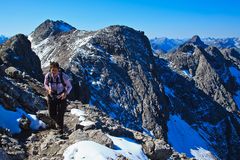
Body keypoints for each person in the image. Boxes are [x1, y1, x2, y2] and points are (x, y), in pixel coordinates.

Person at [44, 62, 72, 134]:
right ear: (50, 69)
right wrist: (48, 89)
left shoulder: (64, 76)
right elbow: (45, 84)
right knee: (51, 114)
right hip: (51, 96)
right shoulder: (48, 76)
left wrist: (65, 93)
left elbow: (70, 86)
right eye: (52, 70)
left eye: (55, 70)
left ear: (58, 70)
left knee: (61, 113)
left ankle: (61, 130)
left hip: (61, 96)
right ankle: (58, 124)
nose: (54, 72)